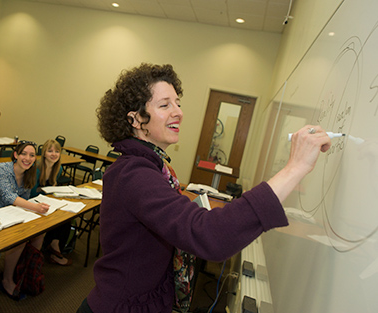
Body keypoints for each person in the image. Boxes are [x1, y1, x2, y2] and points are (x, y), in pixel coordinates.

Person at [77, 63, 332, 313]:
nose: (178, 112)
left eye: (178, 103)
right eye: (165, 105)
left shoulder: (154, 167)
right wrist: (295, 168)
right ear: (135, 119)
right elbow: (208, 235)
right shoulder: (134, 173)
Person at [0, 141, 50, 299]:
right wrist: (35, 208)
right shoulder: (2, 169)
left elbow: (22, 200)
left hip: (10, 214)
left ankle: (19, 274)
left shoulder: (29, 173)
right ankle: (6, 280)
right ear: (16, 155)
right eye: (24, 154)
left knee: (37, 233)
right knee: (19, 239)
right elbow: (9, 197)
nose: (28, 158)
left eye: (32, 155)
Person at [31, 139, 73, 266]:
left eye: (57, 151)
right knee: (52, 218)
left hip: (46, 201)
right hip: (33, 202)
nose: (53, 154)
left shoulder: (58, 168)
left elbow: (52, 189)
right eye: (50, 151)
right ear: (44, 153)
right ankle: (52, 249)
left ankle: (54, 245)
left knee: (66, 217)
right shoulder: (37, 168)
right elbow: (31, 193)